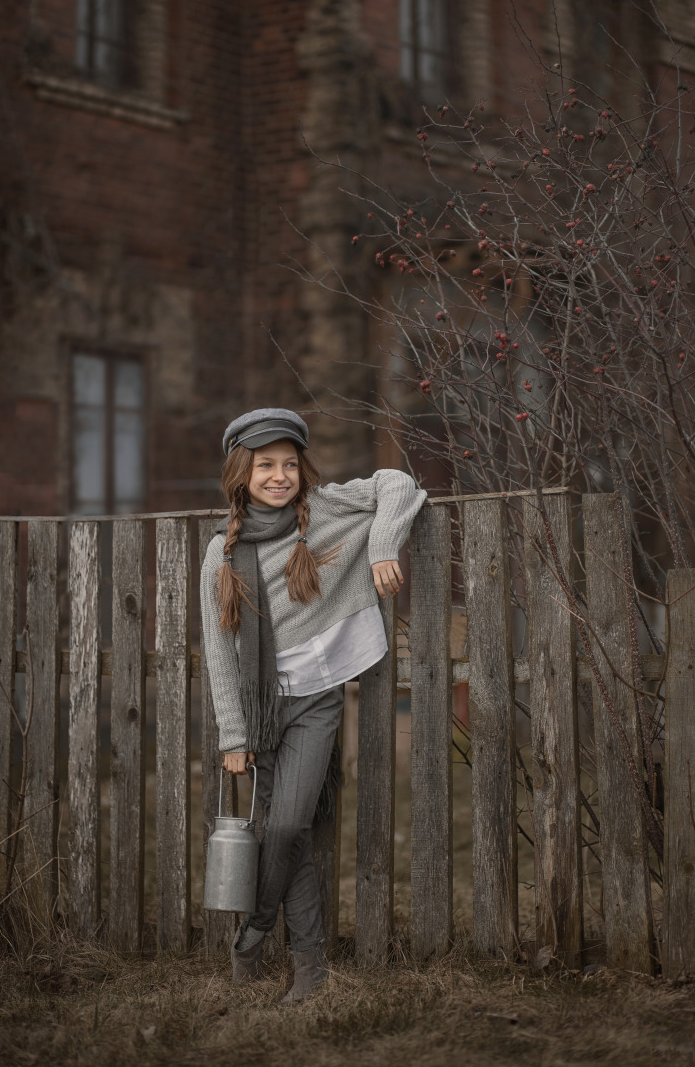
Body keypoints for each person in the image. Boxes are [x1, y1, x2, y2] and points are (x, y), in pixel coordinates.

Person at [200, 408, 426, 1003]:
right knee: (286, 835)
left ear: (303, 468)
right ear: (240, 472)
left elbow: (398, 484)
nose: (279, 476)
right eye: (265, 465)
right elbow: (221, 653)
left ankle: (255, 929)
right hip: (261, 707)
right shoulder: (221, 554)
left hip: (317, 699)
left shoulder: (323, 510)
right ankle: (311, 970)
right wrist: (233, 736)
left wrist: (382, 546)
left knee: (291, 823)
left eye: (289, 464)